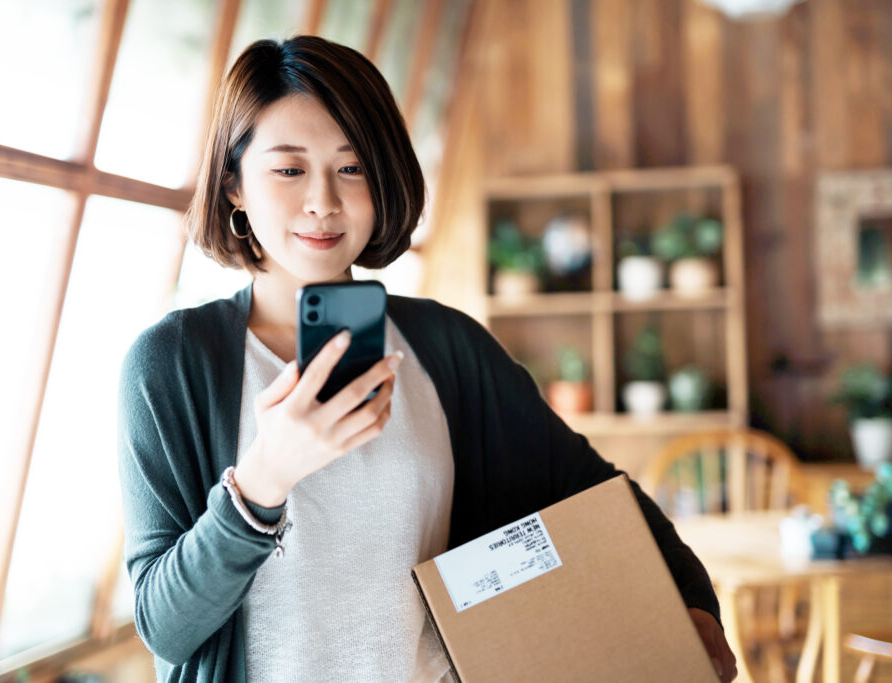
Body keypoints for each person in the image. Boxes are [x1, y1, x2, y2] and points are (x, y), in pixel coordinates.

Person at [117, 35, 737, 683]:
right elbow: (165, 627)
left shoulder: (446, 348)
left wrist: (691, 604)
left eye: (351, 168)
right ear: (235, 187)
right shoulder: (170, 366)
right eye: (289, 168)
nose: (324, 200)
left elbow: (596, 492)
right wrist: (263, 482)